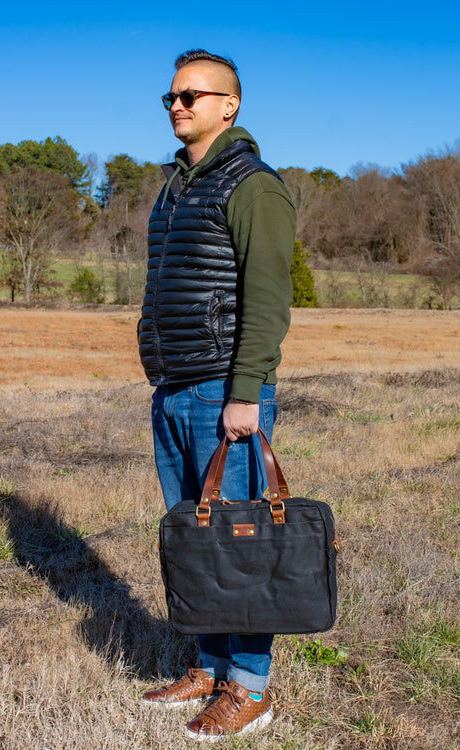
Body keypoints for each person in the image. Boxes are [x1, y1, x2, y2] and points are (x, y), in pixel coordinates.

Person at [137, 49, 296, 740]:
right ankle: (208, 665)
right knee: (193, 541)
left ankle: (250, 688)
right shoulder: (176, 187)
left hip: (221, 392)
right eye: (171, 96)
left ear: (229, 106)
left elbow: (266, 298)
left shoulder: (253, 184)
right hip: (174, 387)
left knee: (237, 542)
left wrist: (245, 392)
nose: (178, 105)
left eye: (192, 95)